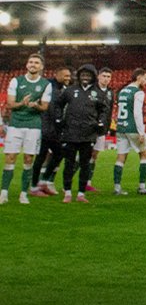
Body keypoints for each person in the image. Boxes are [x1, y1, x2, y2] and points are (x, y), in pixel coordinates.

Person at [50, 63, 109, 203]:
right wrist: (58, 119)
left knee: (85, 164)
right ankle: (68, 192)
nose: (85, 77)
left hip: (88, 134)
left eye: (88, 75)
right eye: (83, 75)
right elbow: (58, 104)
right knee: (69, 164)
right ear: (79, 76)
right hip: (70, 133)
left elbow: (104, 110)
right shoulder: (70, 90)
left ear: (93, 77)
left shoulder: (98, 93)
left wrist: (100, 122)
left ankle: (81, 193)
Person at [1, 52, 52, 205]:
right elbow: (10, 104)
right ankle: (4, 193)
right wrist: (22, 103)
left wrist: (36, 105)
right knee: (10, 158)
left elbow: (44, 107)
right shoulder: (16, 81)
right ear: (26, 65)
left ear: (41, 67)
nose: (33, 65)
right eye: (30, 62)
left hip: (33, 126)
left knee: (28, 159)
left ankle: (24, 193)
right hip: (16, 125)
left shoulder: (46, 84)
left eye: (36, 63)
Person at [30, 63, 71, 194]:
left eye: (69, 75)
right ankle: (34, 186)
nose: (68, 78)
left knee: (58, 153)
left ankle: (42, 182)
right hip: (46, 128)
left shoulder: (61, 88)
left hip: (53, 129)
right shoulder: (50, 87)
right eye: (65, 75)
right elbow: (52, 109)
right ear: (57, 75)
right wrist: (60, 122)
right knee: (42, 156)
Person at [113, 69, 146, 196]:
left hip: (120, 128)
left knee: (121, 156)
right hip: (132, 128)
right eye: (145, 79)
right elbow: (137, 113)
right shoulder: (138, 92)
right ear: (139, 77)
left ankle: (117, 187)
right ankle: (142, 187)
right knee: (144, 154)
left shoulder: (122, 91)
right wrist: (141, 132)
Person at [86, 66, 113, 193]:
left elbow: (109, 111)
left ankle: (88, 182)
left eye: (108, 77)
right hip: (89, 128)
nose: (106, 79)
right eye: (104, 76)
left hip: (102, 130)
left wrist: (107, 127)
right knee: (83, 155)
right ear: (98, 76)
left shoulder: (110, 92)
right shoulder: (91, 89)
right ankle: (67, 183)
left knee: (94, 155)